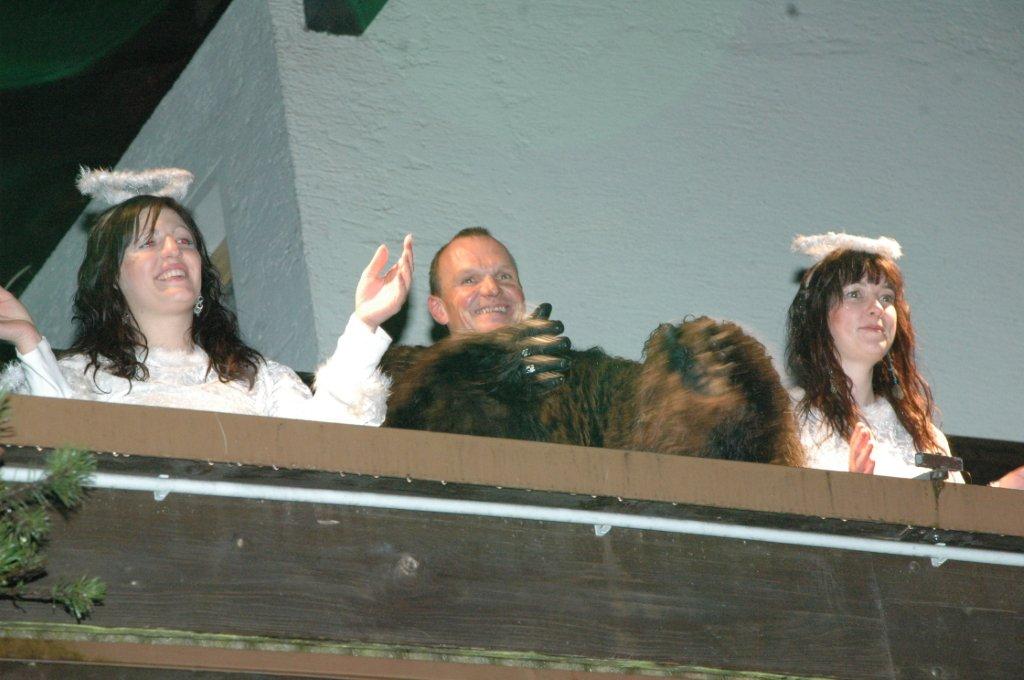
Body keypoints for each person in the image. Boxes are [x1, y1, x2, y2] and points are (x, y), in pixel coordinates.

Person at [0, 168, 413, 425]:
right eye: (148, 242)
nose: (173, 251)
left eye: (185, 241)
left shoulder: (258, 380)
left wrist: (364, 324)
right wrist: (31, 345)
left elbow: (331, 440)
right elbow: (55, 453)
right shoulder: (76, 378)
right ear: (111, 279)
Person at [381, 228, 803, 465]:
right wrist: (474, 371)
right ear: (438, 308)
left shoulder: (588, 380)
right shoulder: (400, 373)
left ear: (521, 294)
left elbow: (659, 440)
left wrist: (713, 385)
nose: (491, 288)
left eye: (505, 276)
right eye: (469, 280)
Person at [786, 232, 1023, 488]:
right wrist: (850, 494)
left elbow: (952, 513)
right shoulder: (787, 419)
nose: (877, 308)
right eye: (855, 294)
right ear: (818, 315)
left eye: (886, 297)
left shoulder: (924, 435)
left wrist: (1003, 491)